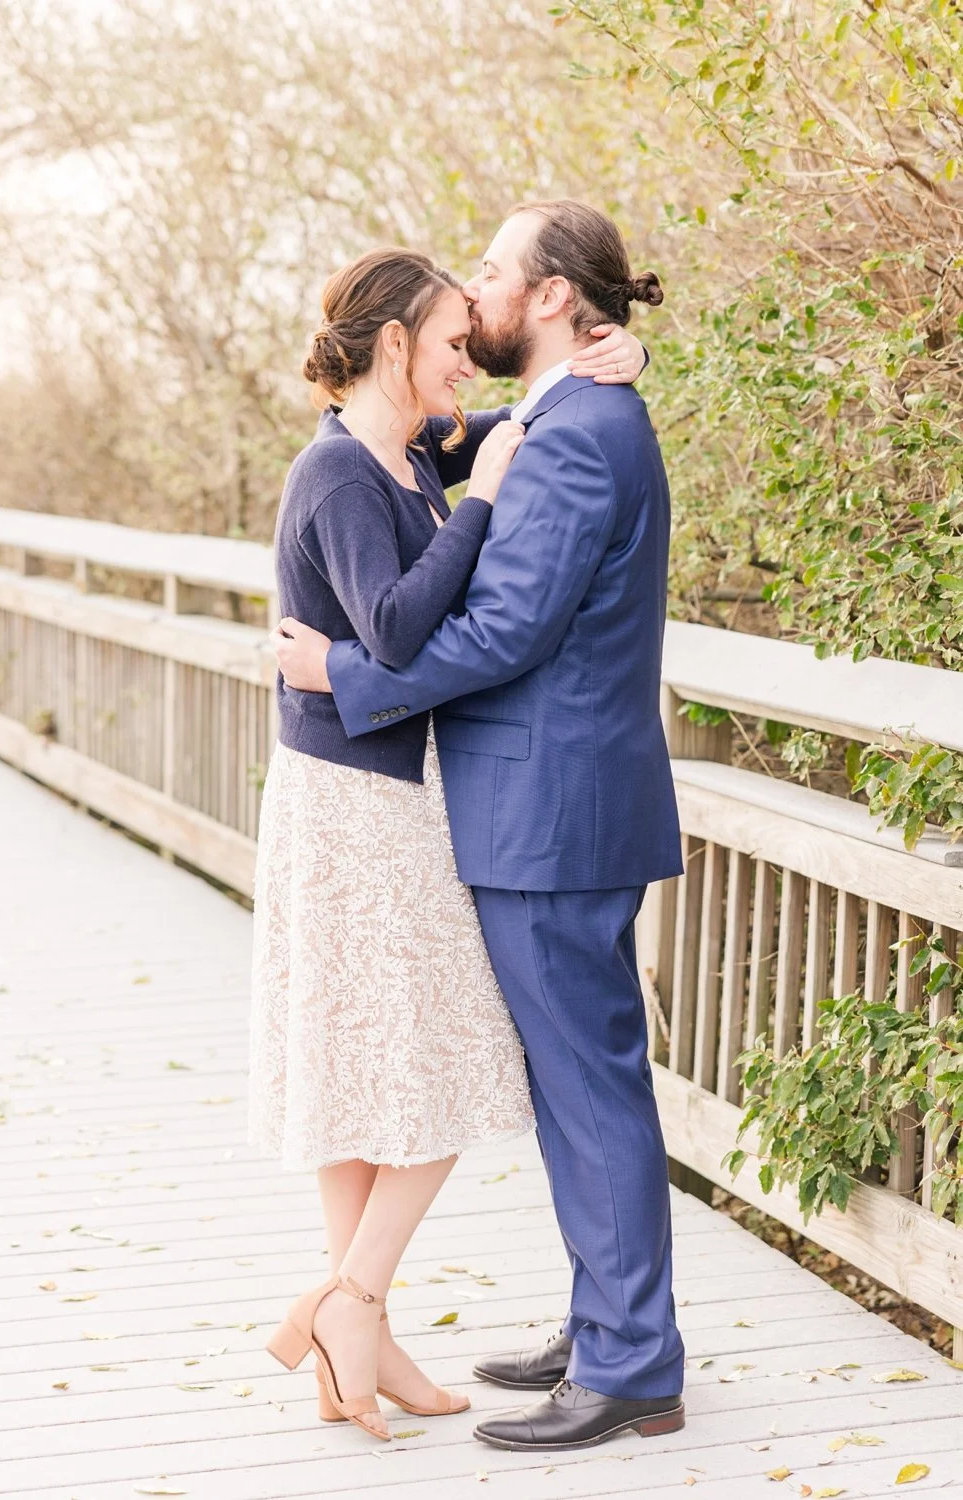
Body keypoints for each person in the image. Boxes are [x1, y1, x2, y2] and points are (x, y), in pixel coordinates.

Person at [274, 199, 688, 1454]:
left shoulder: (577, 432)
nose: (483, 297)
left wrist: (340, 679)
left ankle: (630, 1363)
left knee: (588, 1084)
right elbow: (431, 441)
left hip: (552, 813)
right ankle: (609, 1321)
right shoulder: (565, 416)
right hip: (556, 806)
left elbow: (503, 631)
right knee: (577, 1083)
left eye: (499, 276)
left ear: (555, 297)